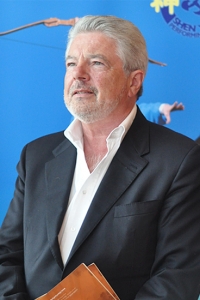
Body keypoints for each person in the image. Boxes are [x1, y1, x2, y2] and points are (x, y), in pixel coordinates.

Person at [0, 15, 200, 300]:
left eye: (96, 63)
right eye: (71, 63)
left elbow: (177, 277)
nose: (78, 74)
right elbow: (6, 254)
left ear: (134, 81)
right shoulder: (36, 155)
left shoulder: (179, 160)